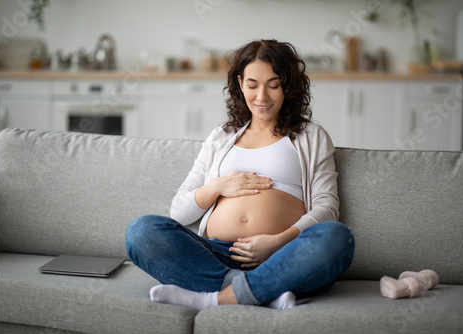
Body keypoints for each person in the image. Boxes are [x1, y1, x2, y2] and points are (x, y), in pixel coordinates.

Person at [125, 39, 355, 310]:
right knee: (142, 231)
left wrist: (277, 241)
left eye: (273, 85)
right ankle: (263, 289)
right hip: (217, 254)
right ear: (240, 83)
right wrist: (218, 186)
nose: (262, 97)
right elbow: (179, 212)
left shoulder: (311, 136)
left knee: (338, 237)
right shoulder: (220, 137)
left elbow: (327, 209)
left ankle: (218, 298)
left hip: (284, 254)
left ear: (288, 85)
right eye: (252, 85)